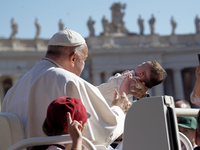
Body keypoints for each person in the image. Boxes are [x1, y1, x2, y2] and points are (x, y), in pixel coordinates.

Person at [1, 29, 132, 147]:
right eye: (84, 60)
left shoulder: (15, 88)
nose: (83, 66)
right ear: (74, 58)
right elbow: (101, 134)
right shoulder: (70, 81)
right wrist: (119, 110)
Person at [98, 61, 167, 106]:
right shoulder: (134, 77)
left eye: (142, 64)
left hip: (109, 95)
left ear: (141, 74)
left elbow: (123, 93)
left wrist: (126, 81)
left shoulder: (133, 81)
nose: (142, 62)